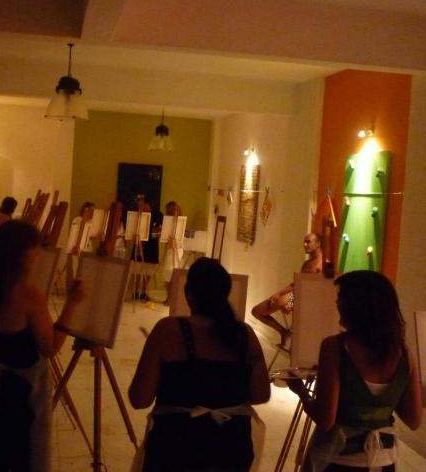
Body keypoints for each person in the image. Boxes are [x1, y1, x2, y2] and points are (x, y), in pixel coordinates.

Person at [129, 258, 270, 471]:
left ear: (188, 293)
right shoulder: (244, 334)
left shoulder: (168, 329)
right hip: (231, 449)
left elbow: (139, 398)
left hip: (175, 448)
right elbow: (261, 395)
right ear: (225, 294)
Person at [0, 220, 85, 471]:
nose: (39, 254)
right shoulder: (27, 294)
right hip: (21, 392)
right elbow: (50, 347)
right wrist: (72, 303)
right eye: (35, 248)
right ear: (21, 253)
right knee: (24, 458)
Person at [286, 270, 422, 472]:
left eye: (341, 298)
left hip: (338, 459)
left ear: (355, 306)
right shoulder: (404, 354)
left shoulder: (335, 347)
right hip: (384, 462)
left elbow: (325, 420)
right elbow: (414, 419)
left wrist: (301, 391)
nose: (337, 304)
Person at [251, 232, 323, 346]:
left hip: (305, 301)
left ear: (318, 244)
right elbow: (296, 284)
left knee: (281, 301)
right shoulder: (306, 263)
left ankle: (289, 334)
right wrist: (278, 293)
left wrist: (291, 303)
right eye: (304, 242)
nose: (305, 245)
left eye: (308, 242)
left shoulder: (321, 265)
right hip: (296, 295)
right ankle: (283, 332)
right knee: (256, 311)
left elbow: (316, 293)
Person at [131, 194, 163, 301]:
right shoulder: (136, 215)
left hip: (151, 245)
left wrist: (156, 232)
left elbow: (159, 230)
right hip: (139, 243)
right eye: (138, 203)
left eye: (142, 203)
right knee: (137, 268)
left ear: (147, 204)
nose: (140, 205)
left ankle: (144, 291)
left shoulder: (157, 215)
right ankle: (135, 291)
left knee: (149, 269)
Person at [162, 201, 184, 305]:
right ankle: (169, 297)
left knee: (172, 274)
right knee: (167, 275)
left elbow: (179, 240)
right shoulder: (168, 222)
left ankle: (171, 298)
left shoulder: (180, 222)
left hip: (177, 249)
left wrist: (174, 243)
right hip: (169, 250)